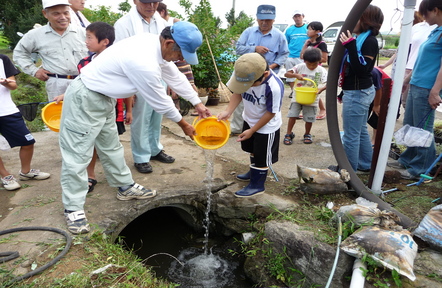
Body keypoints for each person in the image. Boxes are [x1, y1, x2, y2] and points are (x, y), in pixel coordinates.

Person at [58, 22, 210, 234]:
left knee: (111, 146)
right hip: (85, 98)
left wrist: (198, 103)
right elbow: (160, 100)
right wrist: (183, 124)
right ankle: (73, 208)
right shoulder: (143, 60)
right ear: (169, 43)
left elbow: (173, 75)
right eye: (180, 53)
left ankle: (124, 186)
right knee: (78, 154)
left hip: (104, 98)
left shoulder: (153, 44)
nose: (181, 59)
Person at [54, 21, 131, 193]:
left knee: (111, 146)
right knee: (86, 146)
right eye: (86, 37)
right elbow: (81, 84)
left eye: (89, 37)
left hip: (112, 111)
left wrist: (129, 110)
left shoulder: (119, 62)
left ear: (105, 41)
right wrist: (65, 95)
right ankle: (89, 177)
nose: (86, 41)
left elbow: (128, 90)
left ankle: (122, 183)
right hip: (87, 111)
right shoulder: (85, 63)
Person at [114, 0, 175, 174]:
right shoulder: (124, 24)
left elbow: (167, 52)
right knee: (141, 118)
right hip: (137, 78)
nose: (151, 6)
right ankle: (140, 156)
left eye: (155, 2)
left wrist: (170, 82)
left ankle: (155, 149)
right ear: (135, 1)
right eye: (146, 2)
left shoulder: (161, 22)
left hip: (159, 75)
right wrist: (128, 89)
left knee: (157, 115)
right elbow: (120, 55)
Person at [388, 0, 442, 180]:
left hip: (427, 87)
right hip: (416, 84)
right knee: (410, 124)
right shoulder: (435, 30)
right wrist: (407, 80)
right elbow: (420, 61)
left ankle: (421, 167)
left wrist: (435, 91)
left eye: (425, 13)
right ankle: (408, 159)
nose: (424, 18)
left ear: (435, 10)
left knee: (422, 130)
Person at [218, 52, 284, 198]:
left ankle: (257, 184)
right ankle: (253, 172)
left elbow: (270, 113)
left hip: (266, 126)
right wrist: (228, 111)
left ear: (265, 74)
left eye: (251, 84)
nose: (247, 86)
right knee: (252, 149)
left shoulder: (274, 87)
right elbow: (237, 92)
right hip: (249, 119)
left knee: (261, 156)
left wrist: (253, 130)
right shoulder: (243, 73)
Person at [338, 4, 384, 173]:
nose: (352, 21)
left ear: (366, 20)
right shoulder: (361, 38)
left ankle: (348, 171)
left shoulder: (369, 41)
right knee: (360, 130)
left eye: (357, 17)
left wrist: (350, 46)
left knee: (351, 135)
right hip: (358, 91)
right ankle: (366, 164)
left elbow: (362, 69)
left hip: (358, 92)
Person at [13, 0, 88, 101]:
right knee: (58, 115)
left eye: (66, 13)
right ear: (45, 14)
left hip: (83, 82)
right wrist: (34, 71)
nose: (63, 17)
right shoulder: (35, 35)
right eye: (56, 14)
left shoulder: (83, 32)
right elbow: (19, 53)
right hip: (56, 85)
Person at [231, 4, 289, 134]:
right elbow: (238, 48)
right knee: (242, 97)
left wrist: (272, 66)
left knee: (263, 104)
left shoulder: (279, 36)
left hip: (266, 76)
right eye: (261, 19)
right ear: (257, 18)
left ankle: (260, 129)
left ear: (273, 19)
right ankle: (237, 128)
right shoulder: (248, 32)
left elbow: (284, 54)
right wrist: (254, 48)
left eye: (268, 20)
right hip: (247, 73)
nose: (264, 22)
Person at [0, 54, 50, 191]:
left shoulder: (2, 59)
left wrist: (6, 82)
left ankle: (26, 172)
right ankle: (5, 175)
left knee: (28, 141)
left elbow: (13, 85)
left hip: (7, 110)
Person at [283, 48, 327, 145]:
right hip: (297, 97)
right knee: (292, 115)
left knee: (309, 118)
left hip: (312, 99)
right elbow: (286, 74)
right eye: (309, 64)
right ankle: (288, 133)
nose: (311, 66)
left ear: (319, 61)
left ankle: (307, 134)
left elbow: (328, 83)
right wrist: (295, 75)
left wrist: (320, 89)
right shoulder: (300, 67)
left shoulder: (321, 70)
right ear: (304, 61)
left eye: (314, 64)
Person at [299, 21, 328, 120]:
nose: (308, 31)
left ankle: (322, 109)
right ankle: (307, 110)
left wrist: (312, 59)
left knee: (314, 90)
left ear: (317, 31)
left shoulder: (322, 44)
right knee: (307, 89)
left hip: (315, 70)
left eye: (310, 29)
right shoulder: (309, 42)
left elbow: (324, 59)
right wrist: (305, 46)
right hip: (307, 69)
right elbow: (302, 56)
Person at [284, 10, 308, 99]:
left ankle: (302, 90)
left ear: (303, 16)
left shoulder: (308, 28)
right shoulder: (289, 30)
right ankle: (293, 91)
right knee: (290, 74)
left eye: (299, 16)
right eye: (295, 16)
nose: (297, 18)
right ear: (293, 18)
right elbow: (286, 42)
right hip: (290, 56)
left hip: (303, 56)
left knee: (303, 74)